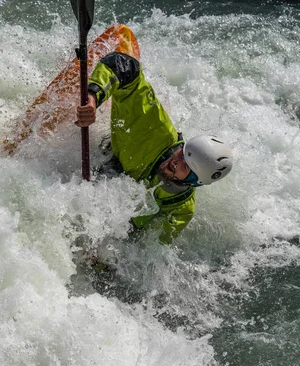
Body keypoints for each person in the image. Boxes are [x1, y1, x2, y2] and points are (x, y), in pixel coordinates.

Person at [75, 52, 233, 244]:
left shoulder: (181, 209)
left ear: (194, 182)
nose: (176, 162)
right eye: (183, 154)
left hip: (116, 212)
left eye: (186, 167)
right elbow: (124, 65)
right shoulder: (154, 129)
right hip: (107, 154)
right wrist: (92, 97)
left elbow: (148, 247)